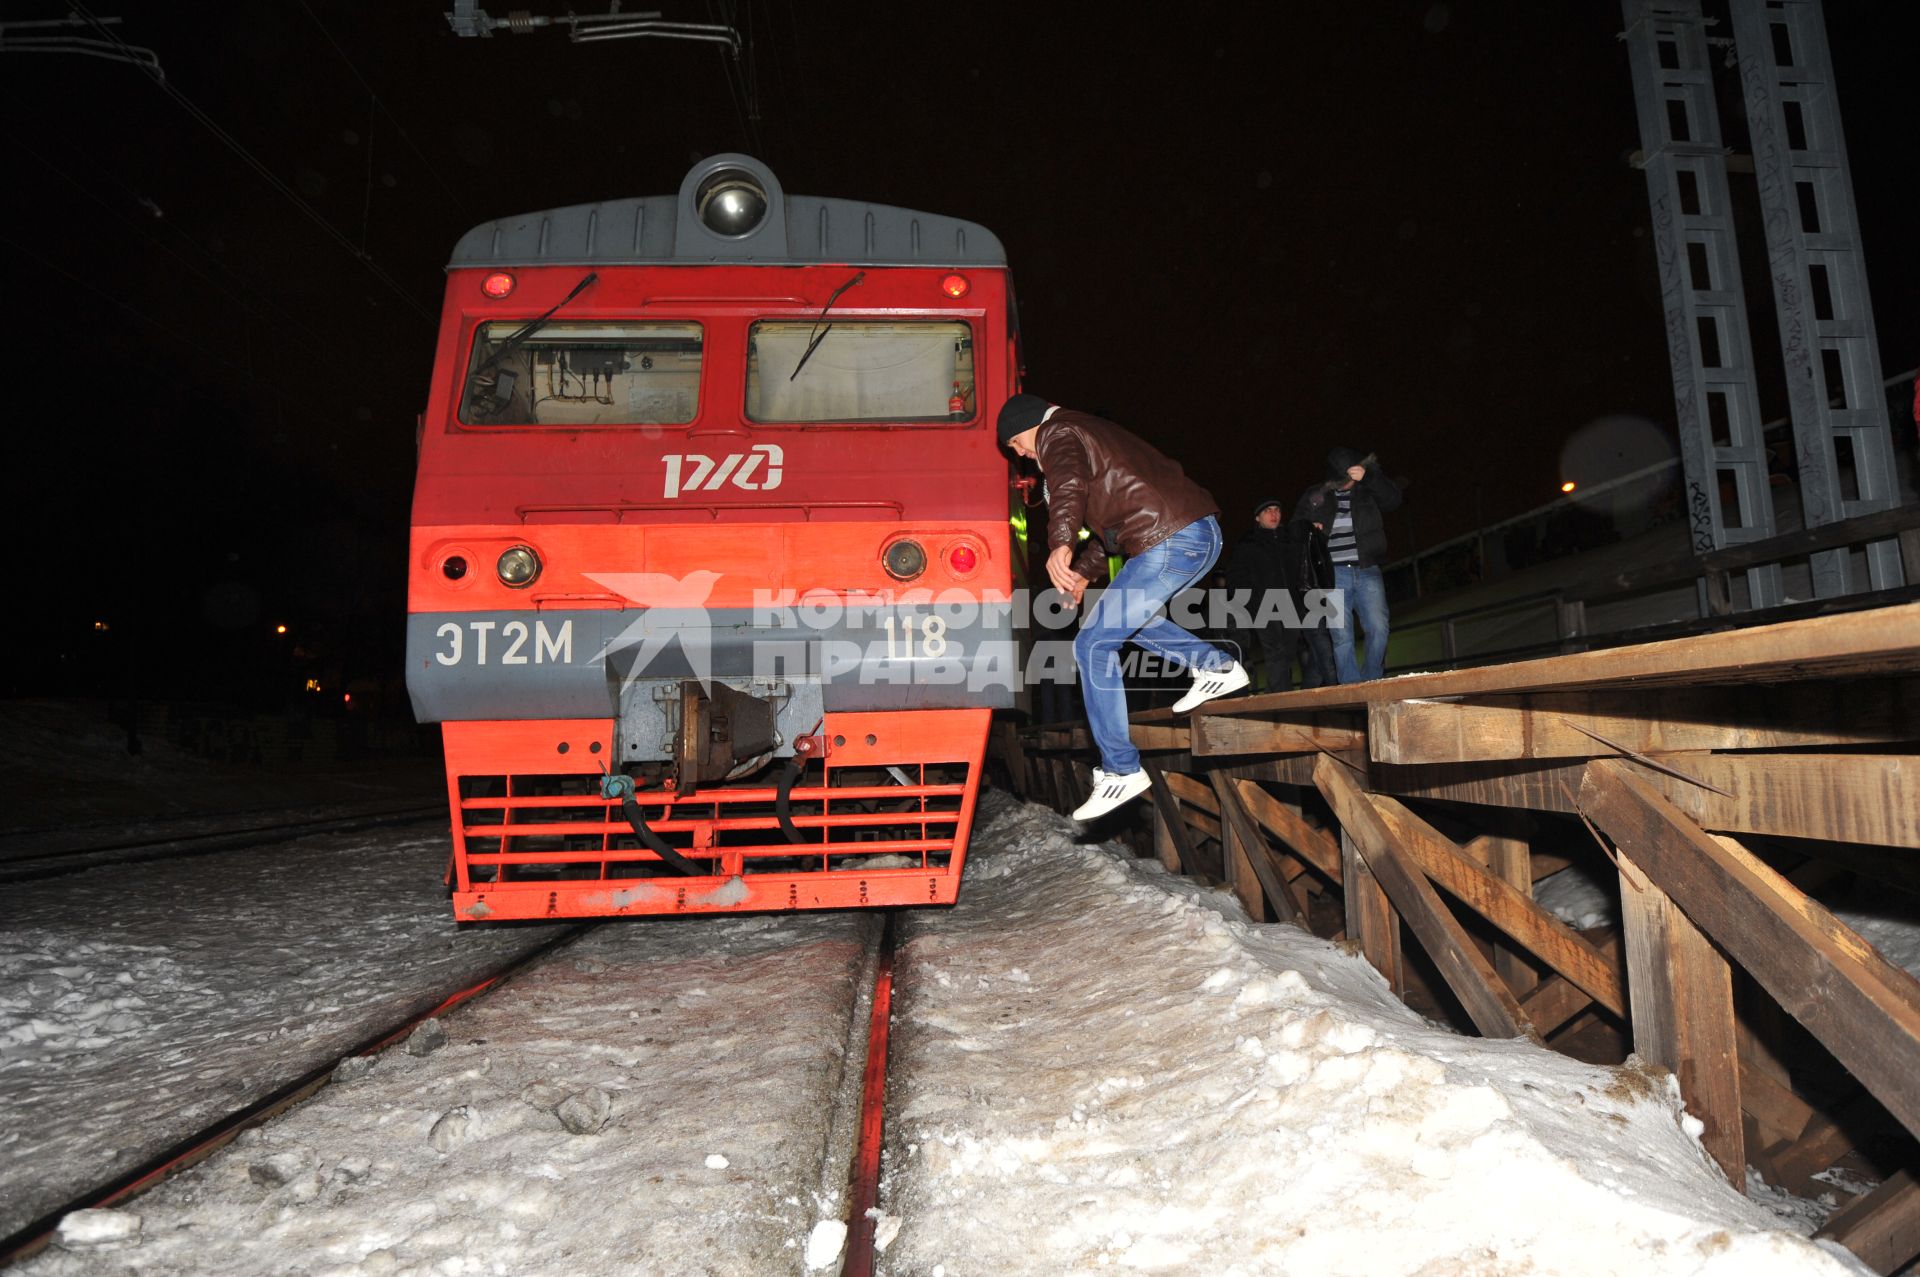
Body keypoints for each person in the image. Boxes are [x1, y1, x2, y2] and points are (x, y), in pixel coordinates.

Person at [998, 394, 1248, 820]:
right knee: (1124, 625)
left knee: (1092, 645)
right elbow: (1112, 532)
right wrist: (1082, 572)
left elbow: (1068, 487)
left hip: (1168, 540)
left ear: (1029, 425)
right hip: (1193, 534)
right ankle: (1216, 666)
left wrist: (1059, 542)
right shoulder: (1091, 434)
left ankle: (1120, 769)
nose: (1021, 455)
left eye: (1018, 444)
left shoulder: (1057, 431)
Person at [1292, 446, 1402, 683]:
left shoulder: (1367, 490)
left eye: (1349, 478)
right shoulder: (1316, 495)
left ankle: (1372, 680)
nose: (1346, 484)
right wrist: (1309, 529)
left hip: (1367, 569)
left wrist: (1370, 477)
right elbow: (1295, 526)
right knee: (1341, 636)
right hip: (1334, 575)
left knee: (1379, 628)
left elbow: (1394, 500)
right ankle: (1352, 687)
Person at [1226, 498, 1303, 691]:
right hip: (1263, 606)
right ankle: (1282, 701)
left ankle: (1274, 692)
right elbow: (1236, 577)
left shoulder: (1291, 539)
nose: (1274, 514)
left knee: (1288, 652)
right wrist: (1250, 603)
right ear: (1257, 517)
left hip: (1291, 605)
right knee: (1275, 651)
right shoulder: (1247, 544)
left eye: (1277, 509)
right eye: (1268, 510)